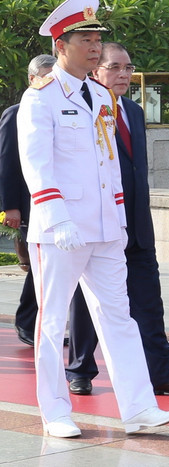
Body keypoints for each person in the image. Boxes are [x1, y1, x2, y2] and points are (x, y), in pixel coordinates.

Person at [18, 0, 169, 438]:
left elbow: (109, 165)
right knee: (52, 321)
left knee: (119, 316)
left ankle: (139, 408)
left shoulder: (100, 95)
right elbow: (37, 166)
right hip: (61, 231)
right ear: (61, 45)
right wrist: (57, 217)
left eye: (96, 38)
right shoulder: (42, 98)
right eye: (84, 39)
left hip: (107, 229)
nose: (94, 47)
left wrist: (119, 220)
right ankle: (55, 412)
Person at [64, 42, 169, 397]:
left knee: (149, 302)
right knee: (87, 303)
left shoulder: (135, 112)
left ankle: (161, 373)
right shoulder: (82, 109)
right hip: (97, 224)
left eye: (127, 67)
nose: (123, 74)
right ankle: (80, 370)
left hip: (137, 226)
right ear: (96, 71)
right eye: (114, 67)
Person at [4, 55, 57, 346]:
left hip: (58, 202)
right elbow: (7, 163)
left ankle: (41, 323)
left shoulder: (61, 109)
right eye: (45, 76)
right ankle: (26, 321)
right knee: (39, 266)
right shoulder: (16, 113)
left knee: (50, 267)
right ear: (31, 80)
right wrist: (10, 206)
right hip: (29, 203)